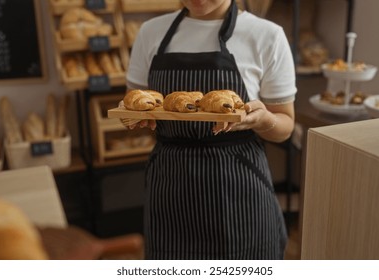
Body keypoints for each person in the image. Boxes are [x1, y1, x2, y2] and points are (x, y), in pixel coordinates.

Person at [125, 0, 297, 259]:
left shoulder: (267, 35)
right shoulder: (150, 31)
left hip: (239, 187)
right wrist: (133, 115)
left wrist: (263, 121)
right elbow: (134, 99)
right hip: (171, 185)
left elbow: (285, 125)